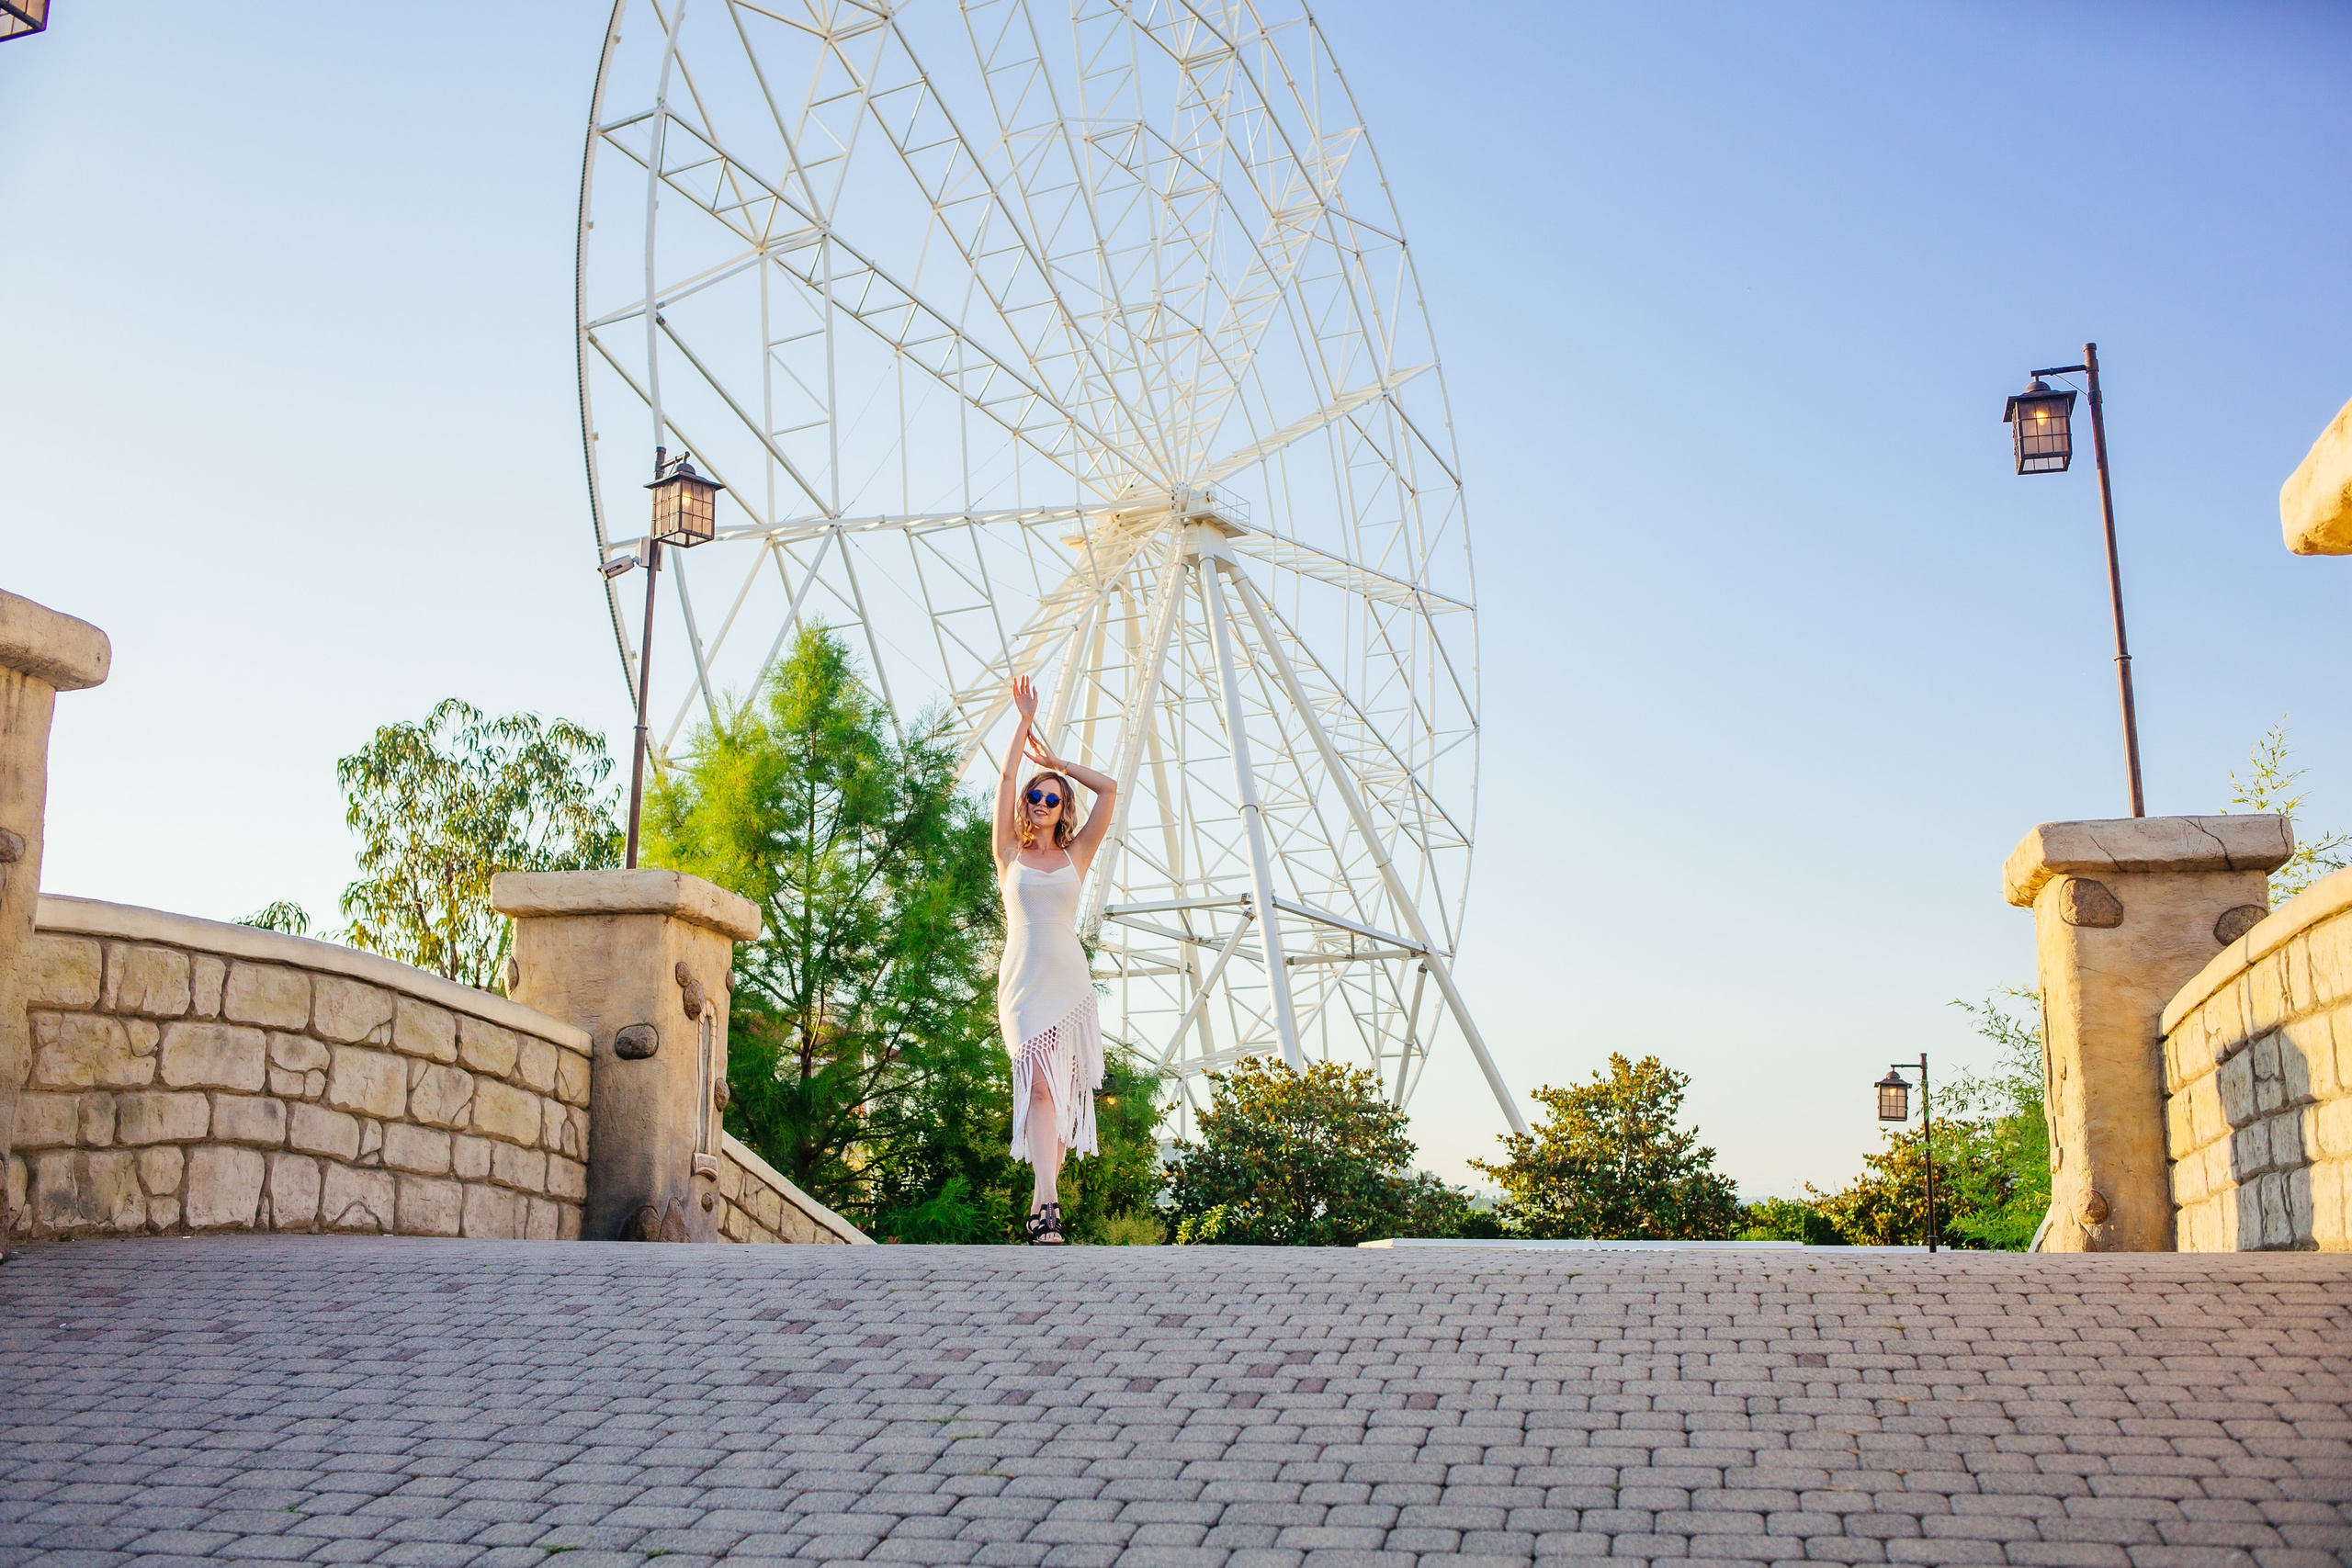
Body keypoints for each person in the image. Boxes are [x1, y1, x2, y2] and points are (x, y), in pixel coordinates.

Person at [993, 674, 1116, 1245]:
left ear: (1063, 807)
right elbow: (1005, 777)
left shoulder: (1076, 856)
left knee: (1059, 1096)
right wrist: (1023, 722)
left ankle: (1045, 1208)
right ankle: (1048, 1204)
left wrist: (1060, 763)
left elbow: (1110, 789)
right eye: (1035, 796)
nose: (1041, 803)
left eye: (1052, 798)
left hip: (1069, 985)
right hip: (1022, 985)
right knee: (1038, 1087)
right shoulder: (1009, 854)